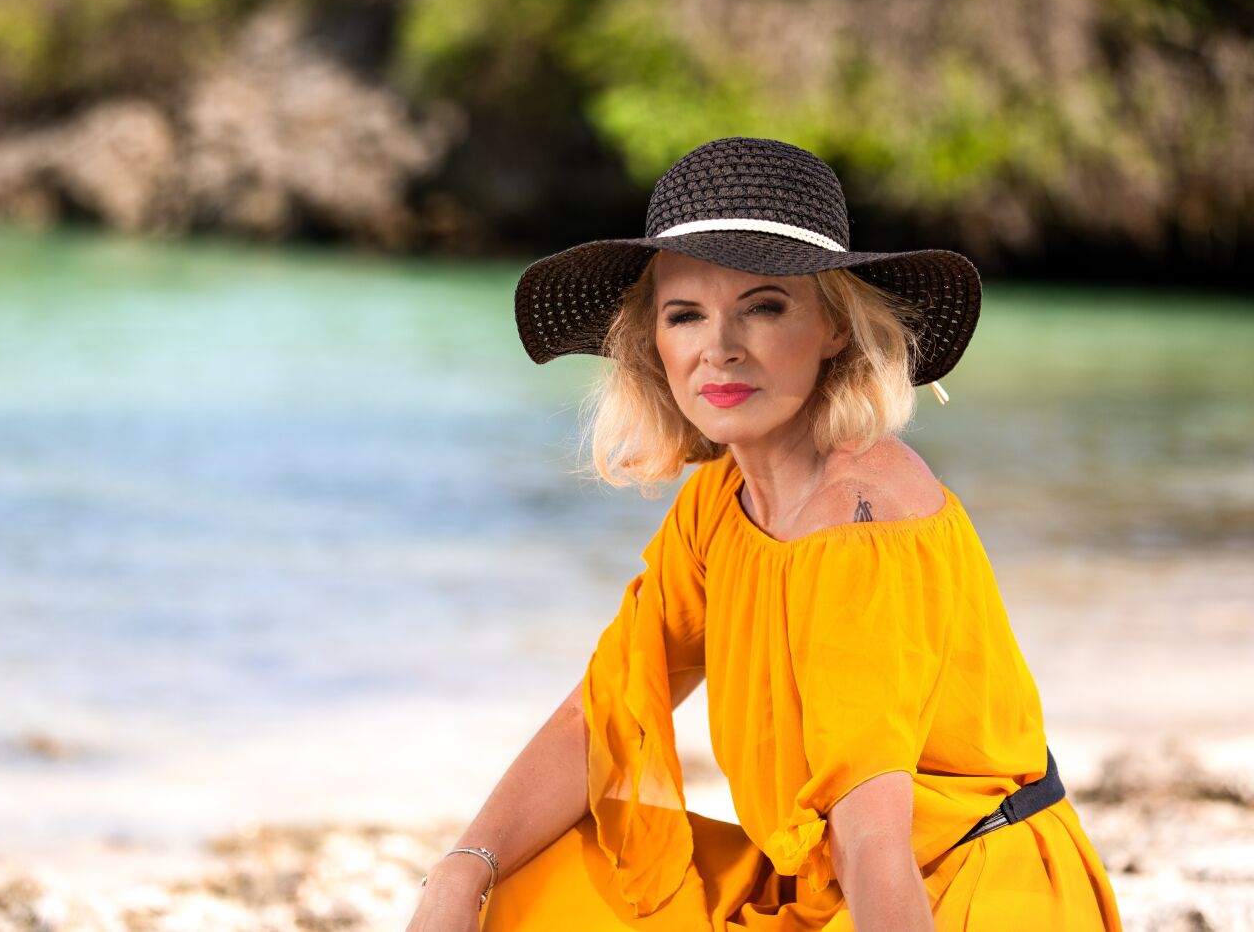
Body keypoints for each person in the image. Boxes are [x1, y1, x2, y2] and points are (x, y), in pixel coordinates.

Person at [404, 138, 1124, 931]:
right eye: (686, 314)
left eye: (764, 305)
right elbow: (602, 716)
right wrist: (460, 869)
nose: (721, 346)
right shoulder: (721, 501)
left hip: (967, 888)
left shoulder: (859, 524)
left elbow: (871, 839)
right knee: (527, 875)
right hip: (820, 884)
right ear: (655, 342)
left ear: (836, 327)